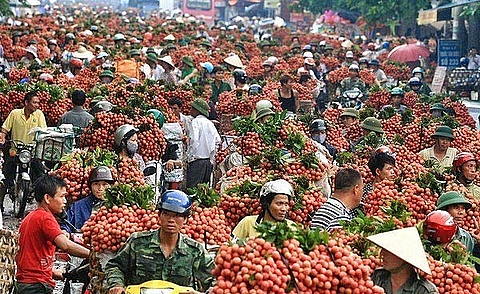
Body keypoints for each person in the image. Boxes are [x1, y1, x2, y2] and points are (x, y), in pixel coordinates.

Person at [105, 190, 214, 293]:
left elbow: (216, 278)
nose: (171, 220)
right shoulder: (137, 242)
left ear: (185, 219)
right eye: (166, 214)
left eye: (177, 216)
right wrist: (116, 284)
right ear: (159, 215)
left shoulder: (194, 251)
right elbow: (115, 266)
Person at [15, 174, 90, 294]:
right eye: (62, 196)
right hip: (36, 287)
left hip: (26, 284)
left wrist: (51, 272)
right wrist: (92, 255)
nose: (65, 201)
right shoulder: (45, 218)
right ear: (47, 198)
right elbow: (65, 245)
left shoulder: (31, 217)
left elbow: (31, 258)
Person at [0, 91, 47, 213]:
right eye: (34, 102)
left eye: (38, 103)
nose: (37, 105)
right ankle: (0, 203)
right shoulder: (15, 114)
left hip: (32, 153)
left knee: (42, 177)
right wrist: (3, 137)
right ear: (26, 103)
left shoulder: (39, 115)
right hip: (15, 151)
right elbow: (4, 129)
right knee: (4, 176)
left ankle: (42, 207)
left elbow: (44, 133)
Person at [368, 227, 439, 294]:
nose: (382, 254)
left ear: (405, 258)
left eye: (389, 251)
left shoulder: (424, 291)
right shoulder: (378, 277)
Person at [63, 166, 115, 233]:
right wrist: (65, 231)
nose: (100, 188)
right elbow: (66, 224)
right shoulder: (77, 206)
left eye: (105, 184)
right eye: (96, 184)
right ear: (90, 186)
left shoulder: (116, 207)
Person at [186, 99, 221, 189]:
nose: (190, 111)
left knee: (192, 190)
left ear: (197, 110)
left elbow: (194, 140)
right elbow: (218, 141)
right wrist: (212, 159)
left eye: (192, 109)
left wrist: (189, 158)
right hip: (207, 162)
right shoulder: (210, 123)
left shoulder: (195, 122)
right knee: (203, 190)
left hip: (197, 161)